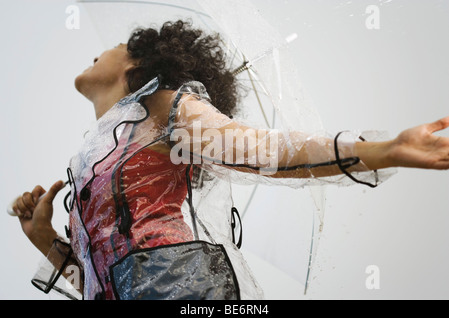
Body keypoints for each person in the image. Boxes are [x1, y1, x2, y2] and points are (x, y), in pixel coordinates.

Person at [12, 20, 449, 300]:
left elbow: (266, 151)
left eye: (118, 44)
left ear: (140, 61)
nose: (100, 51)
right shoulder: (96, 151)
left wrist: (383, 150)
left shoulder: (163, 107)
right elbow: (94, 286)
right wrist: (43, 237)